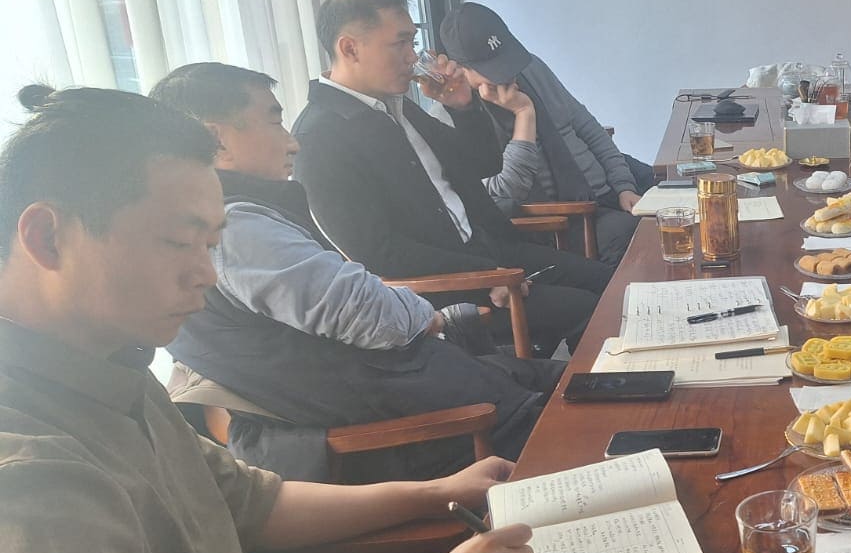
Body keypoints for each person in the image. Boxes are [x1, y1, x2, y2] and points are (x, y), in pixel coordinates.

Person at [0, 84, 534, 553]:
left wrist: (436, 491)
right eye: (178, 242)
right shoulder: (25, 474)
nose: (206, 274)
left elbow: (253, 501)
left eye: (210, 245)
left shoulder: (108, 365)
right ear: (47, 238)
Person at [151, 62, 564, 482]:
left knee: (573, 377)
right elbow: (366, 311)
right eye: (274, 122)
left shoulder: (197, 230)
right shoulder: (237, 230)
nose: (291, 143)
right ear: (217, 140)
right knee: (584, 402)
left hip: (400, 390)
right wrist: (432, 317)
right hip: (419, 428)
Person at [292, 0, 612, 356]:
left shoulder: (396, 107)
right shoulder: (320, 137)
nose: (413, 57)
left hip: (494, 253)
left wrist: (463, 108)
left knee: (611, 283)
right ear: (350, 48)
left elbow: (484, 165)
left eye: (413, 42)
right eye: (400, 44)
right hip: (448, 288)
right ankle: (593, 388)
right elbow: (377, 252)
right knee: (591, 309)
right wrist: (482, 276)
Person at [438, 2, 648, 266]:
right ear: (459, 68)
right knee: (634, 234)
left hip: (605, 189)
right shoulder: (454, 118)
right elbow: (507, 189)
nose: (507, 74)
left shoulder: (531, 69)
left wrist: (624, 186)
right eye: (493, 69)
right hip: (566, 220)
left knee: (672, 191)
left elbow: (588, 128)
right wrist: (524, 112)